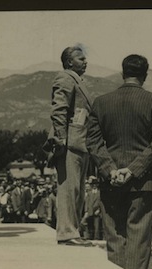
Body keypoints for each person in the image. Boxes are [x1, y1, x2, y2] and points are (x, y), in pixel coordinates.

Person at [85, 54, 152, 269]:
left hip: (109, 182)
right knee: (139, 242)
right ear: (145, 75)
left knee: (114, 240)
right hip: (143, 181)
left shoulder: (101, 102)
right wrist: (132, 170)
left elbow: (92, 142)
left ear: (123, 73)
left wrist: (111, 169)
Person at [52, 45, 94, 246]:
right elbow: (59, 109)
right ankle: (67, 233)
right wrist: (60, 138)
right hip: (69, 142)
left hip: (80, 141)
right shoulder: (65, 78)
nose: (85, 61)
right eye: (81, 58)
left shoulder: (78, 80)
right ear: (69, 62)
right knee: (69, 189)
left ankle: (73, 231)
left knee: (77, 189)